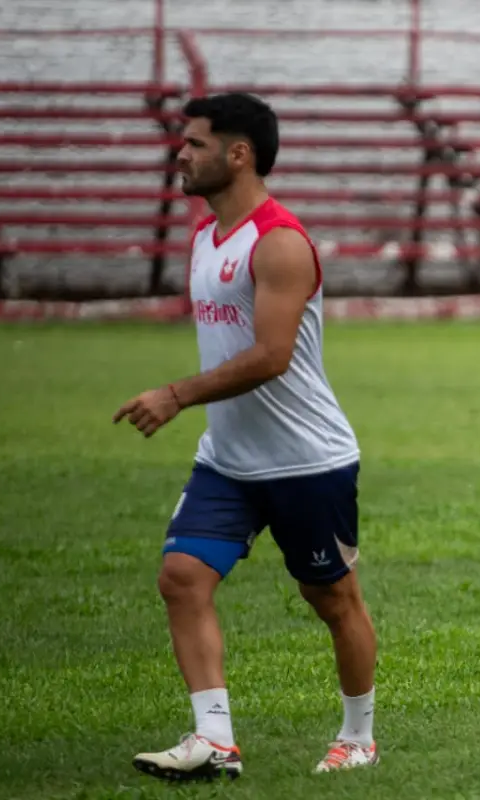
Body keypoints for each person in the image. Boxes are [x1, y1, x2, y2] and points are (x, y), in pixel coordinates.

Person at [114, 92, 380, 781]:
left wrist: (175, 395)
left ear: (239, 155)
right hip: (228, 461)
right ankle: (215, 742)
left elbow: (271, 356)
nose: (181, 153)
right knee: (181, 578)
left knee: (331, 598)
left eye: (196, 143)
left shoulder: (281, 242)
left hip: (306, 460)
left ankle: (358, 738)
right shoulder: (206, 237)